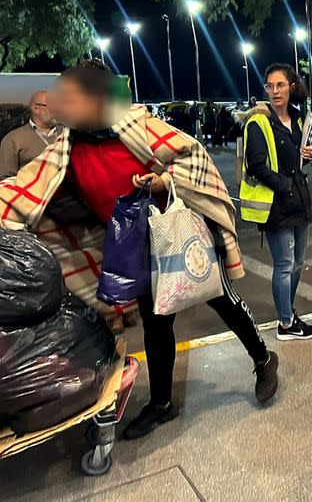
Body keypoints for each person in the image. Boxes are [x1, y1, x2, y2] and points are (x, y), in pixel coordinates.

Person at [0, 60, 279, 440]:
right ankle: (162, 404)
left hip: (177, 233)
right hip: (135, 250)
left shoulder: (138, 127)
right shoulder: (65, 146)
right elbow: (26, 187)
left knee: (220, 298)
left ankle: (263, 359)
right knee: (157, 320)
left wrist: (164, 182)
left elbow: (192, 156)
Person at [240, 63, 312, 341]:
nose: (274, 91)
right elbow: (256, 166)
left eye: (280, 85)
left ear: (291, 87)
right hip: (277, 204)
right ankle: (285, 323)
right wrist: (284, 187)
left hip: (300, 198)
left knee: (298, 263)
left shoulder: (297, 119)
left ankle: (289, 312)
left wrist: (306, 154)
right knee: (284, 264)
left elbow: (297, 158)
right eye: (270, 86)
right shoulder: (259, 121)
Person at [0, 91, 62, 180]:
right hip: (32, 191)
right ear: (36, 109)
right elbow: (6, 179)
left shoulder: (68, 134)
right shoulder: (13, 140)